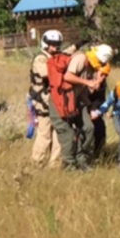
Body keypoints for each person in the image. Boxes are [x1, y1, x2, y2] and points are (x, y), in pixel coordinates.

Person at [50, 43, 113, 172]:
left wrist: (89, 106)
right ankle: (69, 165)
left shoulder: (91, 67)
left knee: (88, 128)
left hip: (77, 100)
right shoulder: (81, 58)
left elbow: (81, 90)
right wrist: (88, 82)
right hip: (61, 100)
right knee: (68, 133)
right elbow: (68, 76)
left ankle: (82, 160)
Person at [27, 30, 81, 168]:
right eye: (52, 44)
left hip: (57, 102)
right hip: (43, 103)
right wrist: (66, 61)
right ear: (46, 44)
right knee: (44, 135)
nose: (55, 47)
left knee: (58, 134)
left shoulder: (56, 57)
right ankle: (36, 163)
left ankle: (54, 165)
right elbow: (49, 72)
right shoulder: (40, 59)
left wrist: (77, 45)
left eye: (57, 44)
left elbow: (62, 57)